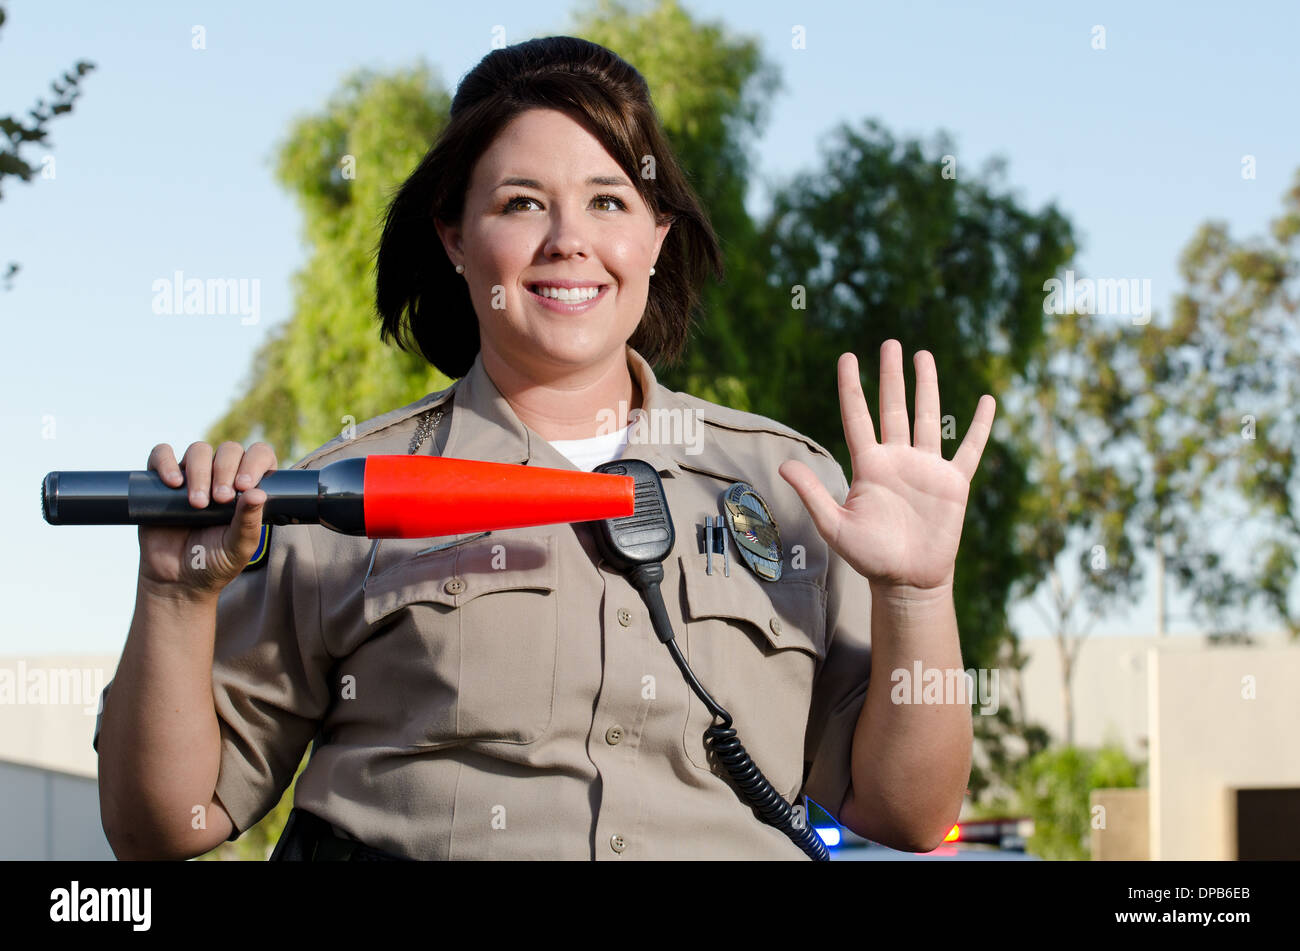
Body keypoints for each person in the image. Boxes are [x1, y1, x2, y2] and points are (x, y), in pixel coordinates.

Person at [96, 35, 995, 861]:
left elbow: (904, 813)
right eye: (522, 203)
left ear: (656, 238)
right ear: (454, 237)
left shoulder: (789, 487)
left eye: (609, 201)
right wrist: (174, 599)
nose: (570, 241)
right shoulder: (341, 496)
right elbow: (164, 825)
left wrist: (917, 595)